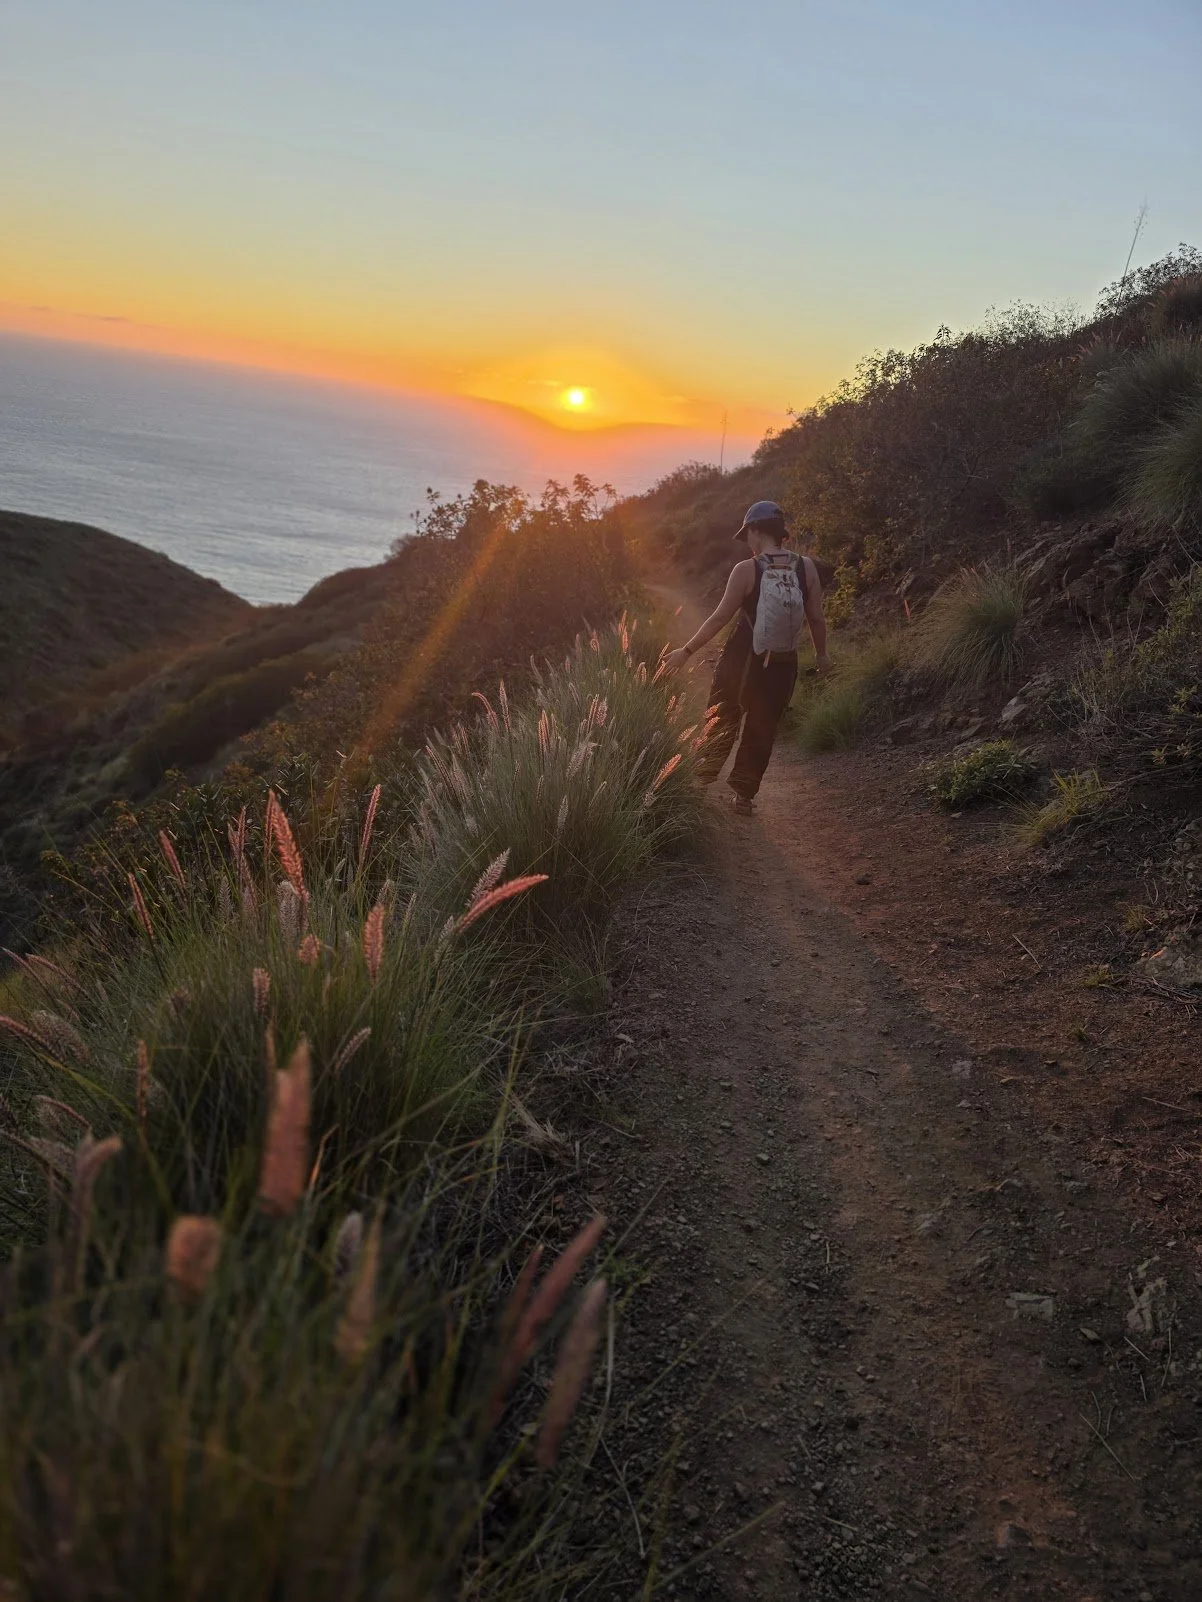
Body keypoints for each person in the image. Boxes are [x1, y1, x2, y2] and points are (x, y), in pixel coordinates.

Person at [664, 500, 830, 815]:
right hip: (783, 662)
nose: (749, 543)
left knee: (722, 716)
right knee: (762, 727)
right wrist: (822, 655)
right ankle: (744, 796)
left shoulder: (747, 569)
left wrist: (686, 651)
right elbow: (817, 619)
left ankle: (700, 782)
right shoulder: (806, 567)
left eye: (749, 535)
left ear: (755, 530)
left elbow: (718, 618)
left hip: (742, 659)